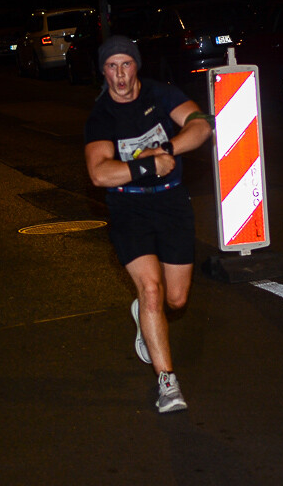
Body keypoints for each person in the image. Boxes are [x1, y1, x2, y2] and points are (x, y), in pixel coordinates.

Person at [84, 35, 212, 413]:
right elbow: (99, 173)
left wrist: (167, 149)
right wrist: (146, 165)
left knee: (176, 298)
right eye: (111, 67)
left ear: (136, 66)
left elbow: (201, 125)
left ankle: (143, 313)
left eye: (126, 65)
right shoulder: (101, 115)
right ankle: (168, 384)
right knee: (152, 289)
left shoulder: (160, 94)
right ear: (103, 71)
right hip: (129, 209)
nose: (120, 75)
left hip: (172, 203)